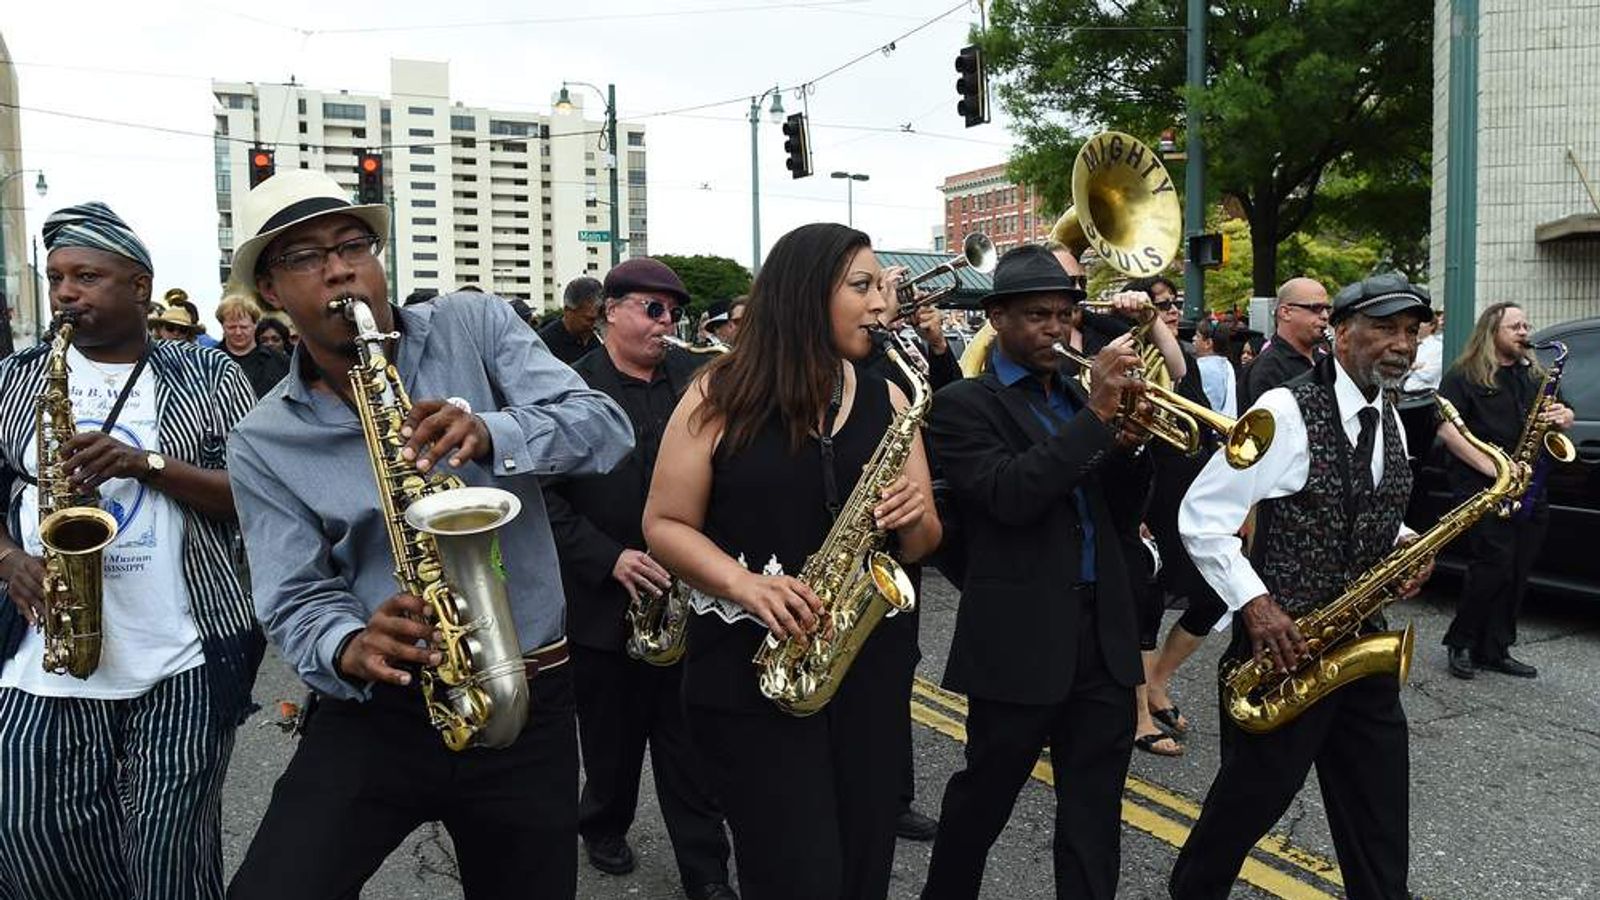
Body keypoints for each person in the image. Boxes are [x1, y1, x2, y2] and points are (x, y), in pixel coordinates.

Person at [222, 170, 634, 899]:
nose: (341, 267)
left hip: (524, 697)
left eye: (353, 244)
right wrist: (348, 643)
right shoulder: (263, 438)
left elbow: (606, 427)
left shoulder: (473, 324)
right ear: (271, 295)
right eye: (305, 257)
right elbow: (293, 593)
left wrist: (493, 431)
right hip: (383, 711)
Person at [643, 222, 941, 900]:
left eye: (881, 288)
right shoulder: (718, 393)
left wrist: (914, 516)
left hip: (865, 677)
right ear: (805, 296)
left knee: (863, 871)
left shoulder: (891, 395)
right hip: (751, 678)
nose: (881, 305)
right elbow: (663, 524)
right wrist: (744, 584)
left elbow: (924, 544)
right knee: (794, 876)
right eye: (862, 287)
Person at [0, 202, 262, 900]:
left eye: (86, 276)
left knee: (170, 862)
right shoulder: (19, 376)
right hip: (42, 658)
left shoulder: (207, 376)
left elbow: (256, 496)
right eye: (57, 277)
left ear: (140, 287)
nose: (65, 293)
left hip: (180, 654)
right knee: (29, 844)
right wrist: (5, 556)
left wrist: (143, 463)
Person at [1171, 273, 1436, 898]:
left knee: (1379, 829)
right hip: (1282, 656)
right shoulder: (1282, 410)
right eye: (1385, 328)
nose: (1402, 344)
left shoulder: (1389, 417)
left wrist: (1401, 544)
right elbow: (1203, 516)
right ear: (1340, 333)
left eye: (1411, 331)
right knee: (1234, 826)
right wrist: (1256, 606)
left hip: (1359, 655)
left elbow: (1357, 501)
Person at [921, 244, 1151, 899]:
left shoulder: (1079, 397)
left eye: (1064, 316)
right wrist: (1098, 419)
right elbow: (1010, 498)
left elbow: (1121, 513)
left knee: (1094, 817)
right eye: (1036, 315)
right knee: (982, 802)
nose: (1055, 328)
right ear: (996, 317)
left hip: (1100, 634)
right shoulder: (967, 404)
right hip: (1019, 634)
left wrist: (1130, 451)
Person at [541, 257, 735, 899]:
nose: (667, 323)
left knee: (692, 746)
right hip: (607, 597)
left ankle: (705, 870)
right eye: (653, 310)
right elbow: (544, 497)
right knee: (610, 736)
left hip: (690, 593)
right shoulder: (570, 388)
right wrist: (609, 557)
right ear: (611, 311)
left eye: (673, 312)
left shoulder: (699, 379)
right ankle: (603, 823)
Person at [869, 270, 964, 841]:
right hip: (867, 512)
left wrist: (933, 343)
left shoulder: (906, 342)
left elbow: (948, 396)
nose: (886, 296)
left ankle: (893, 794)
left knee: (896, 665)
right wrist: (883, 323)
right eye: (869, 285)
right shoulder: (867, 345)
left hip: (907, 515)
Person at [1436, 302, 1574, 680]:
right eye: (1515, 326)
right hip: (1483, 484)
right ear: (1492, 332)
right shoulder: (1464, 375)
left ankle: (1495, 649)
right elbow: (1447, 429)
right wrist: (1494, 471)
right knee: (1492, 565)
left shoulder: (1536, 375)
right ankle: (1461, 643)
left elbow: (1566, 412)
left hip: (1530, 486)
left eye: (1526, 325)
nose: (1524, 331)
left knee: (1518, 568)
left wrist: (1564, 416)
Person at [1238, 276, 1330, 409]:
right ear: (1285, 312)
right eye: (1315, 308)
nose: (1325, 316)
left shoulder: (1325, 360)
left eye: (1327, 309)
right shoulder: (1267, 369)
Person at [215, 293, 290, 399]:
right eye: (231, 327)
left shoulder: (280, 361)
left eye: (244, 327)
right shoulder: (209, 362)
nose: (238, 332)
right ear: (222, 326)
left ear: (255, 325)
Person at [539, 276, 604, 365]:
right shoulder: (543, 345)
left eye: (599, 319)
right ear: (568, 311)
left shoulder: (596, 343)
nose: (595, 325)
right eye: (589, 319)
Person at [1194, 319, 1238, 418]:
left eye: (1197, 336)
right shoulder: (1226, 364)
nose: (1193, 339)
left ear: (1208, 343)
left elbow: (1212, 404)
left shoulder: (1204, 367)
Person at [1403, 307, 1444, 395]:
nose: (1419, 325)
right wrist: (1412, 367)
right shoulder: (1409, 343)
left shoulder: (1438, 347)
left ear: (1432, 326)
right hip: (1403, 395)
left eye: (1422, 323)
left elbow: (1428, 374)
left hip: (1424, 397)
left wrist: (1408, 368)